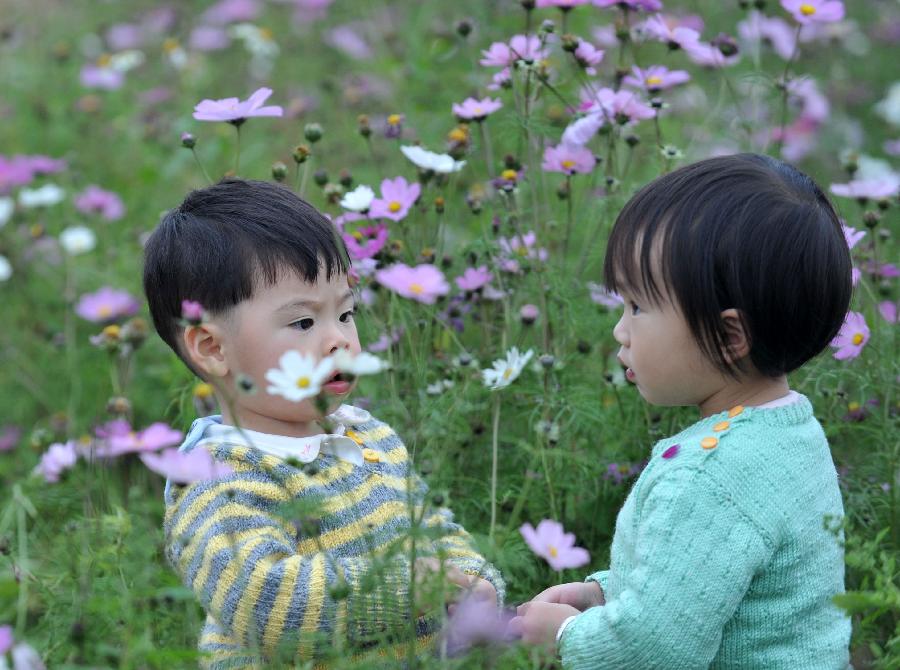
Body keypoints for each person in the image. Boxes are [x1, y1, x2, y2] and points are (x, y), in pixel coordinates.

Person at [142, 178, 503, 668]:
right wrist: (412, 583)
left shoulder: (369, 437)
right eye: (303, 323)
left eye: (347, 314)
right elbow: (268, 605)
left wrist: (475, 581)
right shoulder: (213, 481)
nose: (341, 341)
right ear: (212, 348)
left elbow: (437, 530)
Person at [510, 154, 853, 668]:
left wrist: (566, 636)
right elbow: (709, 582)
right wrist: (600, 596)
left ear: (729, 335)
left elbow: (654, 650)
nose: (619, 331)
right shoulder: (791, 431)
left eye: (638, 307)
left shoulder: (708, 476)